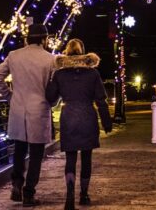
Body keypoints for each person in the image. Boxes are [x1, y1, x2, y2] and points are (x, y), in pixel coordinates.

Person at [0, 23, 56, 206]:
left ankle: (16, 184)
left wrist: (9, 96)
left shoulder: (14, 55)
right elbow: (55, 87)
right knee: (36, 154)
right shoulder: (50, 59)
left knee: (19, 150)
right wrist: (53, 102)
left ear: (27, 39)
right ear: (44, 39)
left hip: (18, 109)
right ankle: (29, 193)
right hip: (40, 109)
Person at [46, 39, 113, 209]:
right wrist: (107, 123)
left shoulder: (59, 74)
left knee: (70, 157)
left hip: (68, 116)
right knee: (86, 157)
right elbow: (101, 100)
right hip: (87, 115)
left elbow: (51, 98)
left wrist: (50, 82)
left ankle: (70, 192)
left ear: (67, 52)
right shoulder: (92, 74)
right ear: (83, 52)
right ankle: (84, 194)